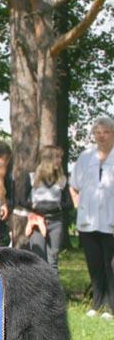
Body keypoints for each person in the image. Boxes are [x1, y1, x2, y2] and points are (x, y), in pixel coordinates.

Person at [70, 116, 114, 321]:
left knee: (111, 264)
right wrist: (80, 206)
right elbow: (74, 185)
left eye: (105, 132)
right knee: (95, 264)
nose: (101, 136)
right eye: (98, 132)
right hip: (88, 220)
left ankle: (111, 305)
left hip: (111, 220)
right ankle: (97, 303)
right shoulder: (85, 157)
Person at [20, 145, 72, 271]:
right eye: (57, 157)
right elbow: (21, 200)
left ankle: (53, 290)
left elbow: (69, 203)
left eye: (60, 158)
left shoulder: (62, 180)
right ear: (48, 159)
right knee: (38, 258)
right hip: (37, 222)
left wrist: (57, 207)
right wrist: (35, 206)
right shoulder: (32, 178)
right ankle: (38, 289)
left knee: (53, 258)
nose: (60, 161)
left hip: (56, 222)